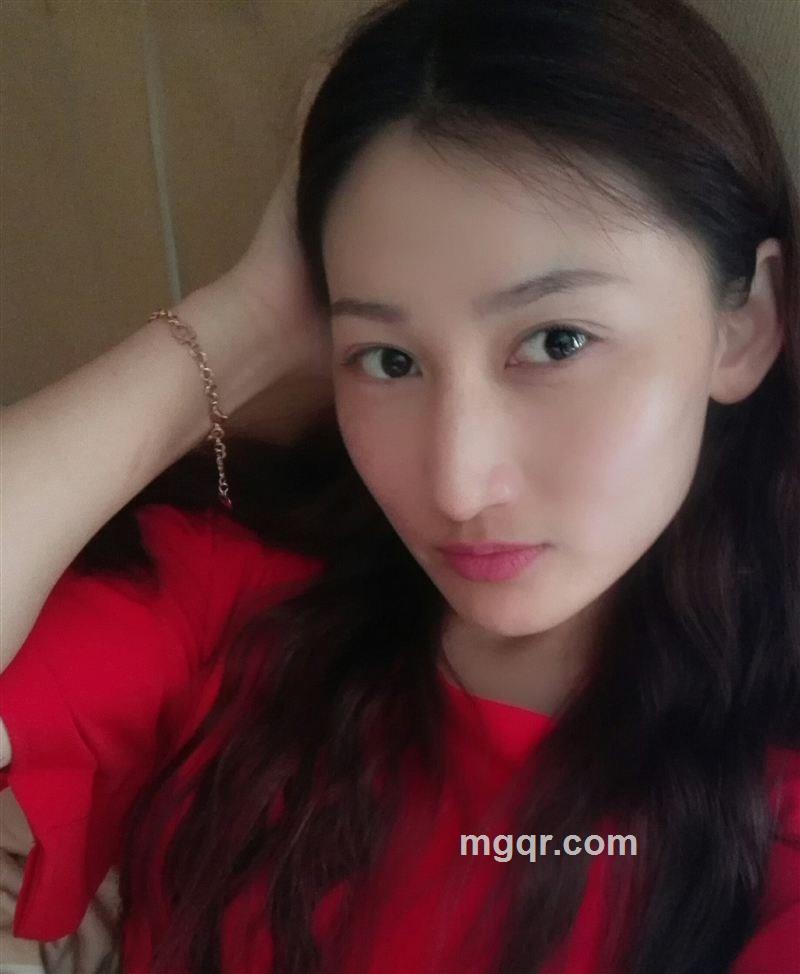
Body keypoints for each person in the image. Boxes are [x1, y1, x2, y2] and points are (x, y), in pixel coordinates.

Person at [1, 0, 798, 971]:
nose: (456, 483)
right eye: (386, 359)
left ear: (744, 325)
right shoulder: (236, 610)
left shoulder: (773, 819)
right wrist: (246, 318)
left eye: (556, 341)